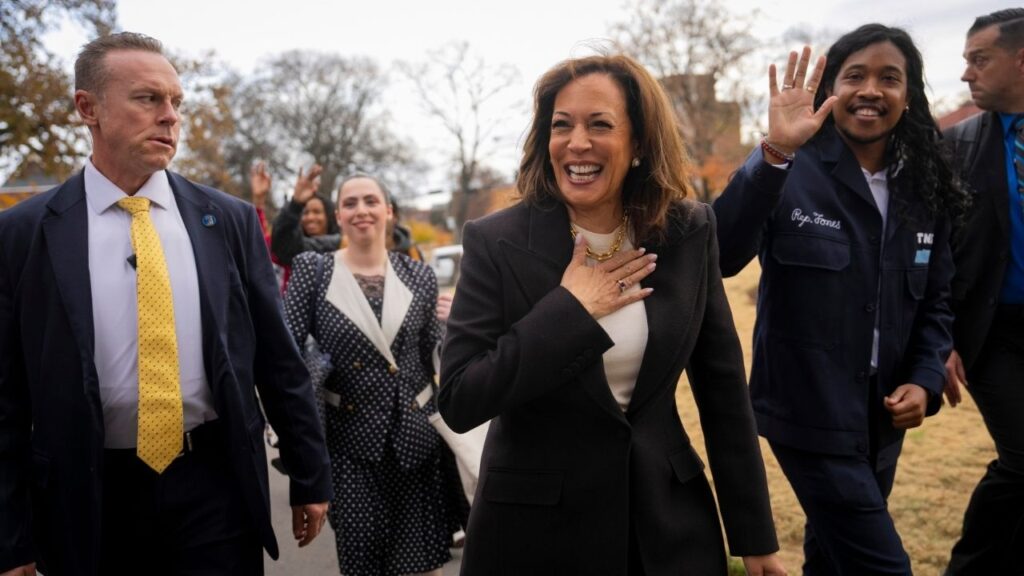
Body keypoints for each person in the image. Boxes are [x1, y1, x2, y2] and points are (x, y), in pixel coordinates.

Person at [438, 54, 785, 575]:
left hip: (665, 533)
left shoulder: (689, 231)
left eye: (600, 124)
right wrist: (570, 310)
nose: (577, 143)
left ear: (640, 144)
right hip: (534, 537)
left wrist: (755, 537)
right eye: (562, 126)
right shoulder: (495, 241)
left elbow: (723, 395)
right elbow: (461, 398)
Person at [0, 32, 331, 576]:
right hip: (87, 494)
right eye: (148, 99)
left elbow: (278, 359)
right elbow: (6, 399)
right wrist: (11, 538)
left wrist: (309, 474)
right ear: (89, 108)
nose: (170, 116)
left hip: (214, 486)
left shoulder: (227, 221)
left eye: (176, 101)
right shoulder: (23, 234)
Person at [713, 24, 967, 575]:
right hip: (806, 413)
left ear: (909, 94)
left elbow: (936, 303)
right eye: (855, 76)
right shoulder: (790, 170)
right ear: (830, 89)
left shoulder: (926, 187)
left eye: (889, 78)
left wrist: (925, 380)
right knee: (882, 567)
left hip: (881, 420)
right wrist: (776, 151)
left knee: (831, 560)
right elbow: (721, 254)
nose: (871, 90)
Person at [283, 174, 452, 576]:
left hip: (415, 444)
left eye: (372, 201)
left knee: (422, 567)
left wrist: (459, 326)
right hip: (350, 447)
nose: (362, 210)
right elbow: (285, 354)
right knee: (363, 566)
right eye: (351, 203)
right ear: (338, 215)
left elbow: (438, 357)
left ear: (389, 212)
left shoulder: (419, 276)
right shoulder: (314, 270)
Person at [943, 9, 1024, 574]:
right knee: (1022, 460)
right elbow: (935, 255)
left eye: (980, 59)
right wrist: (939, 339)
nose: (967, 73)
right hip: (995, 335)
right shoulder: (956, 147)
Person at [268, 163, 341, 289]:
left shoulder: (343, 244)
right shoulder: (297, 247)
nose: (310, 217)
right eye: (305, 213)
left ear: (329, 216)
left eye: (317, 212)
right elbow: (283, 244)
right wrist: (295, 204)